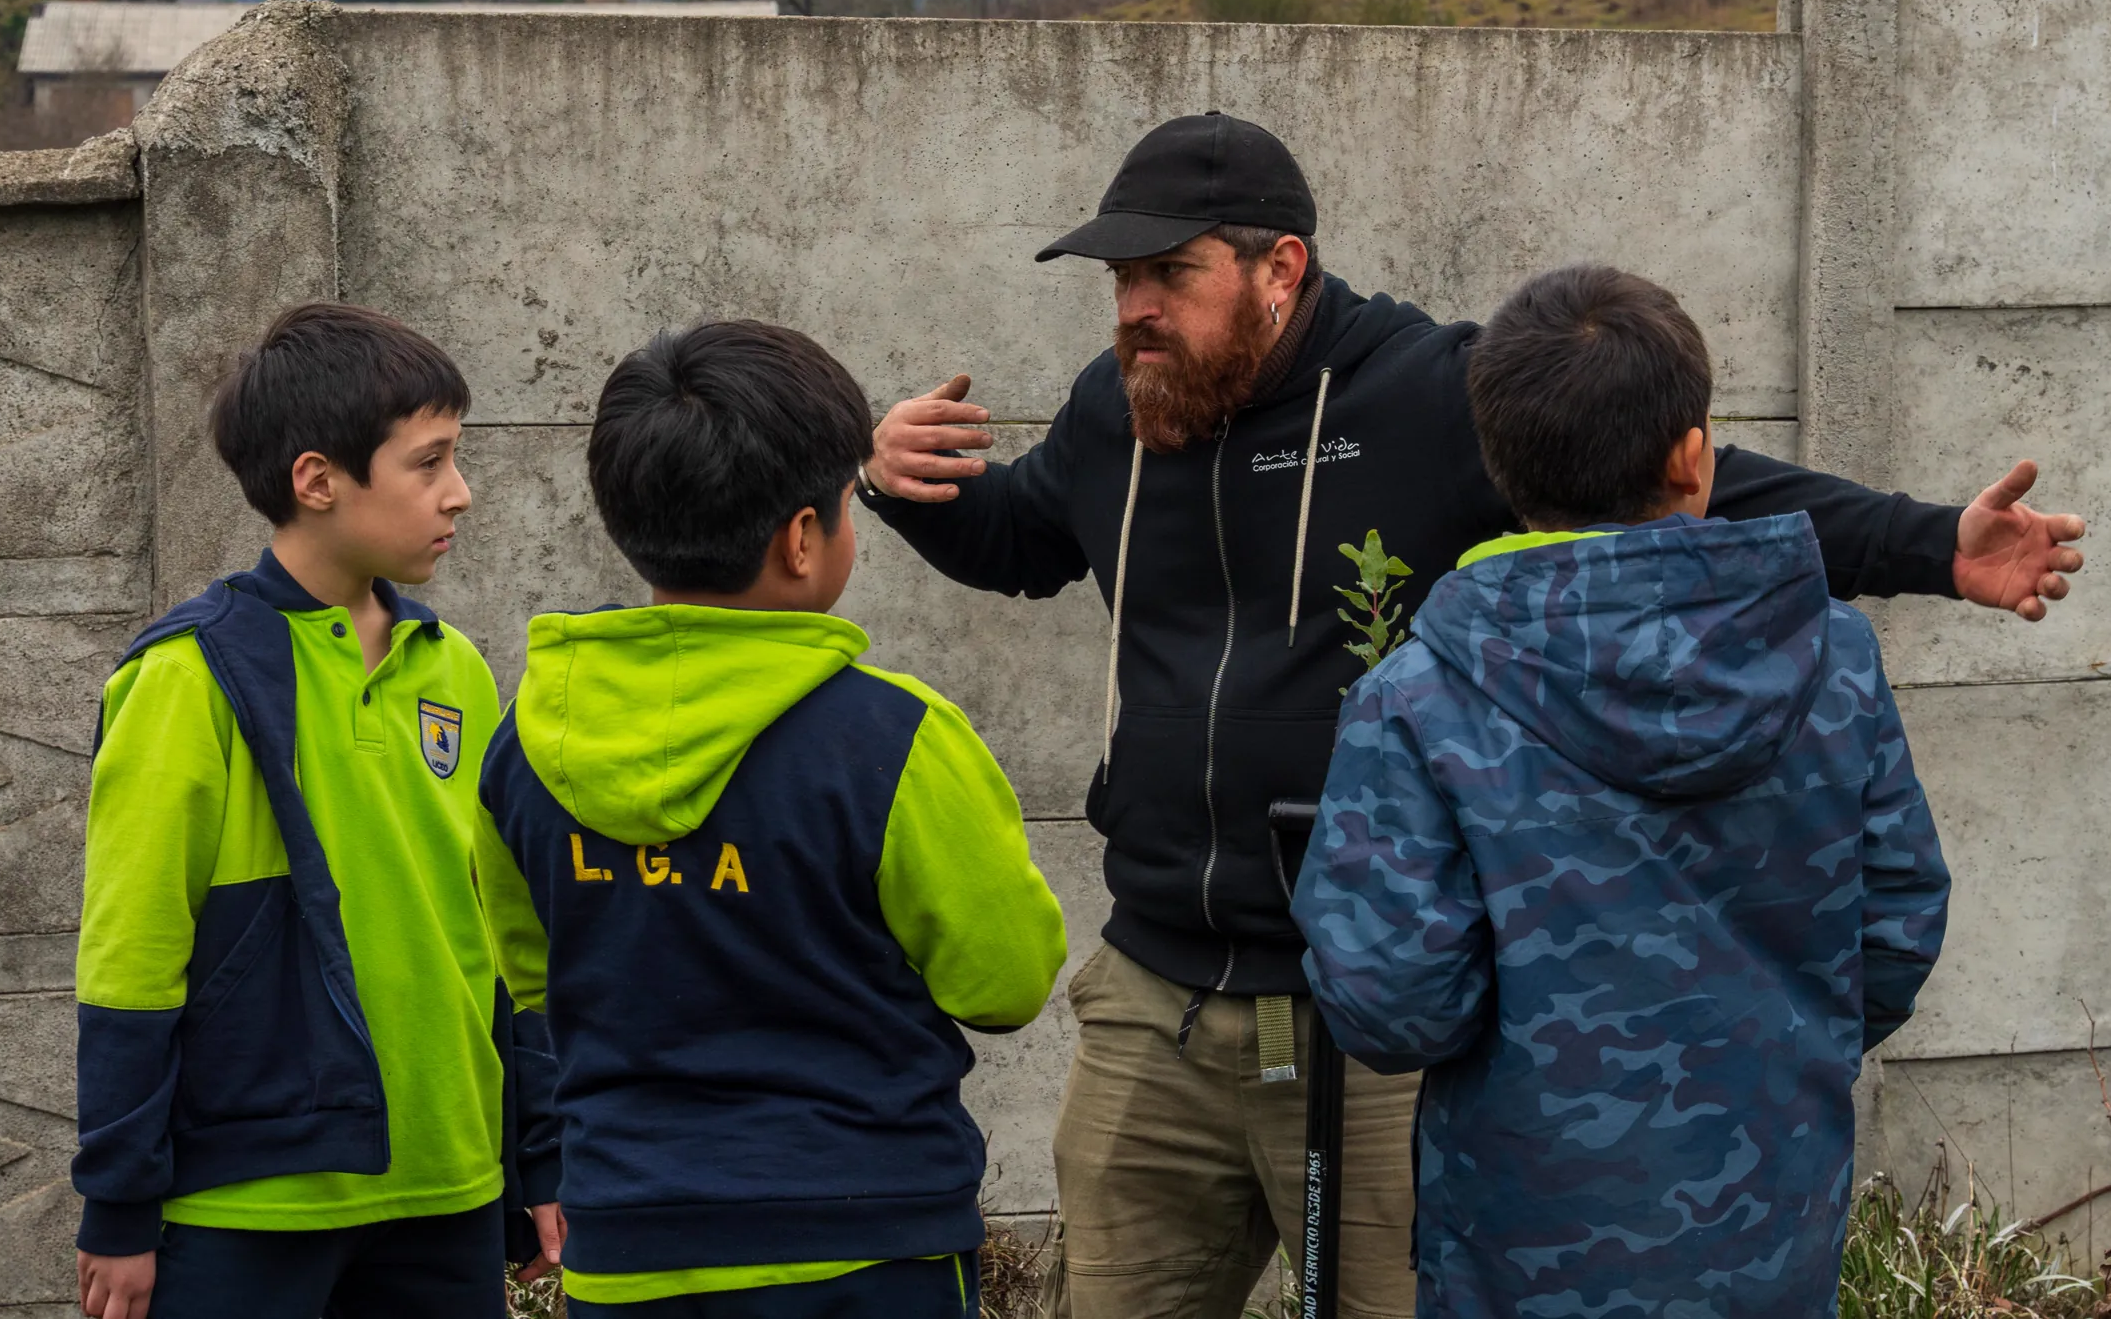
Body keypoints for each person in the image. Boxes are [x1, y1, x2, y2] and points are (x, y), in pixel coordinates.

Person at [857, 113, 2082, 1318]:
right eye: (1122, 278)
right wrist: (901, 485)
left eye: (1170, 273)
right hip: (1154, 993)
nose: (1135, 307)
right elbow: (1022, 538)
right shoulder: (1118, 404)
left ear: (1280, 267)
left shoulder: (1422, 388)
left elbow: (1673, 478)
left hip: (1377, 1031)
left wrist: (1933, 545)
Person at [1292, 264, 1953, 1316]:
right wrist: (1762, 1051)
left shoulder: (1417, 694)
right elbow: (1897, 925)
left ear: (1498, 461)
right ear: (1694, 456)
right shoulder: (1832, 654)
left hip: (1517, 1248)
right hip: (1769, 1226)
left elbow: (1391, 1000)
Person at [471, 320, 1068, 1318]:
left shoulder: (525, 745)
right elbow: (1005, 980)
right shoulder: (894, 736)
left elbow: (532, 975)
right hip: (867, 1246)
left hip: (628, 1242)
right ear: (801, 536)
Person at [71, 303, 562, 1319]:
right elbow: (131, 952)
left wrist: (536, 1153)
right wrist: (119, 1201)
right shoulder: (188, 674)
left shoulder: (456, 668)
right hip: (249, 1197)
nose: (459, 493)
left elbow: (502, 939)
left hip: (451, 1181)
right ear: (317, 479)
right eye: (427, 462)